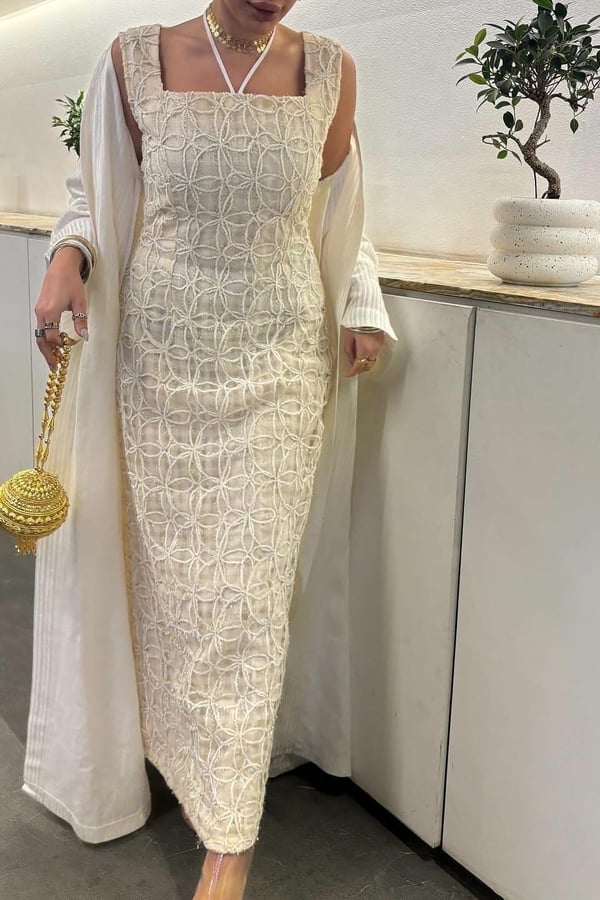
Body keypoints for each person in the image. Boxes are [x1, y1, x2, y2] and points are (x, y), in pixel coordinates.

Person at [28, 2, 397, 898]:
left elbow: (341, 211)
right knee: (172, 588)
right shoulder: (133, 61)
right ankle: (171, 752)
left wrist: (362, 301)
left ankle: (228, 847)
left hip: (277, 360)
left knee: (246, 596)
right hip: (162, 362)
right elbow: (96, 192)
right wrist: (68, 255)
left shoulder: (330, 71)